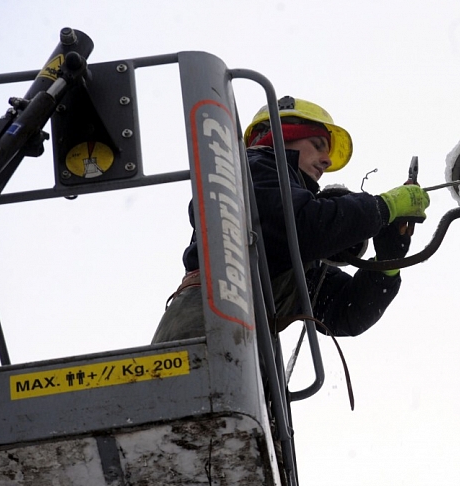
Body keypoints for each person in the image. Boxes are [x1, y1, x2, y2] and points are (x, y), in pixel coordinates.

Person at [151, 96, 429, 343]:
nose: (326, 161)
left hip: (241, 350)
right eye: (318, 145)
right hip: (202, 338)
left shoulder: (291, 255)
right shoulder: (250, 170)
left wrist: (387, 263)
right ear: (280, 137)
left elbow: (345, 312)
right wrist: (384, 206)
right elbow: (306, 225)